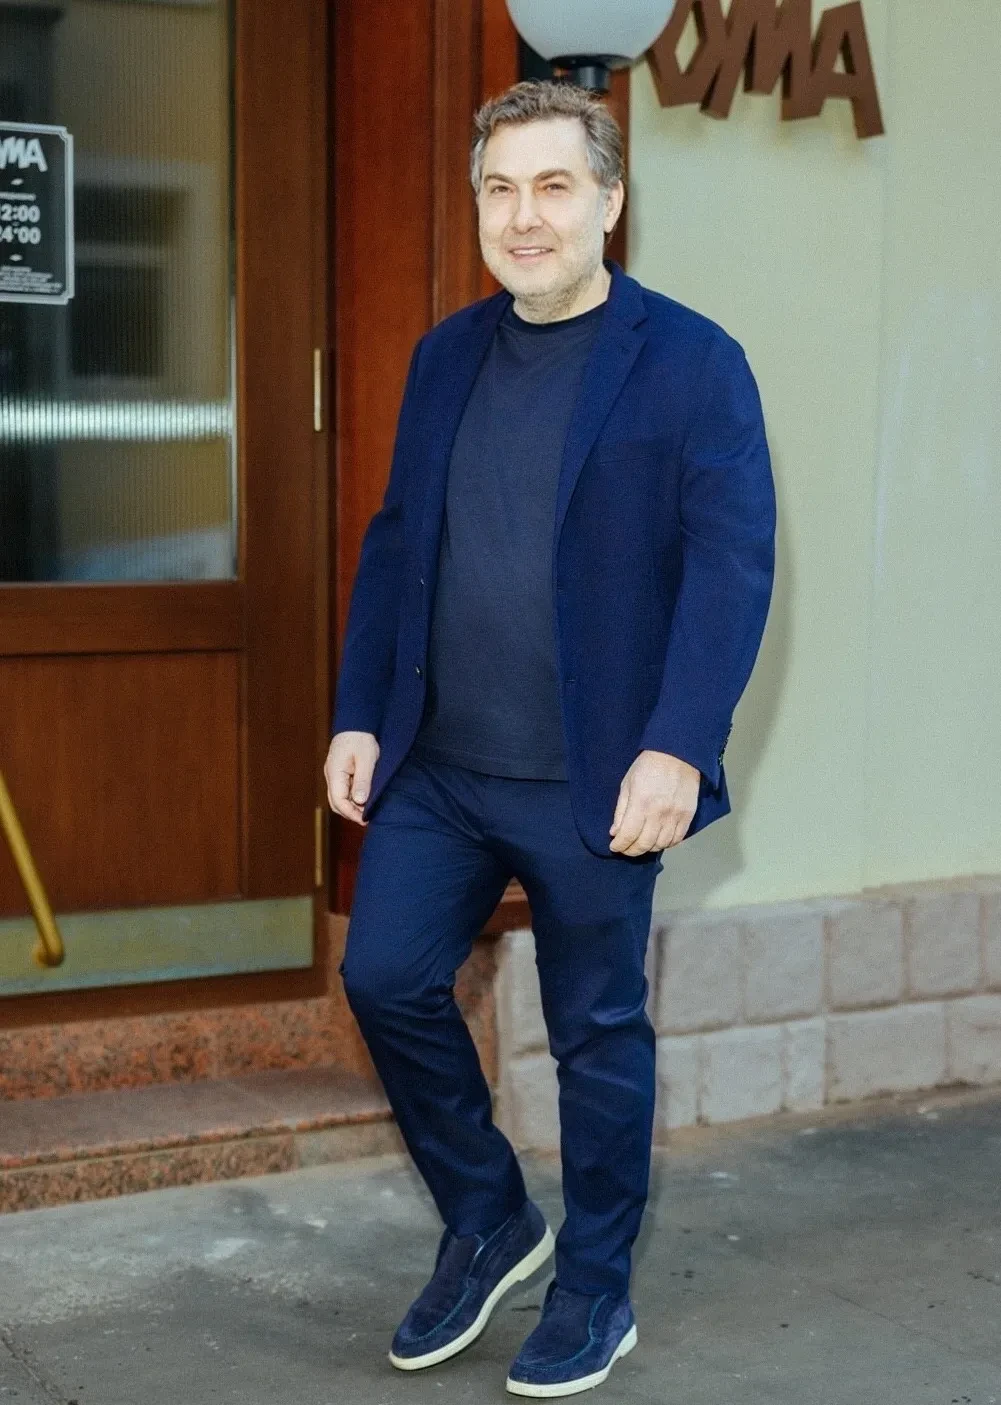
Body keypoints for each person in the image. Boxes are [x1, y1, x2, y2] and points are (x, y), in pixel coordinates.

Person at [324, 79, 776, 1399]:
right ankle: (488, 1217)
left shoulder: (693, 363)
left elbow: (730, 571)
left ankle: (594, 1288)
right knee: (385, 978)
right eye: (500, 189)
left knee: (596, 1037)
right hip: (440, 765)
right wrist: (360, 713)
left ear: (610, 202)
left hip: (599, 776)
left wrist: (678, 746)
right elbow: (397, 545)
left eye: (554, 187)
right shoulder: (445, 356)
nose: (524, 217)